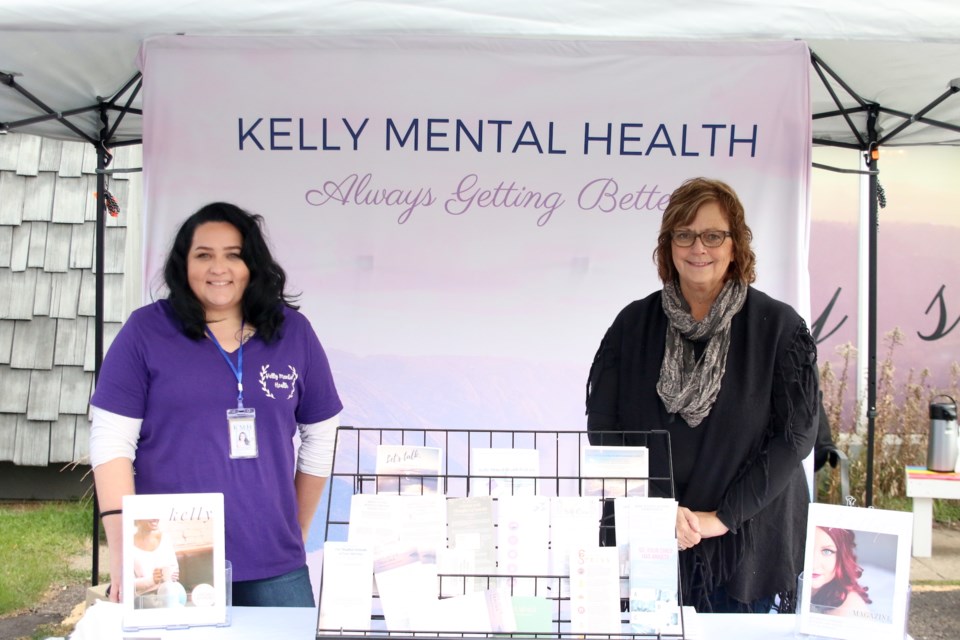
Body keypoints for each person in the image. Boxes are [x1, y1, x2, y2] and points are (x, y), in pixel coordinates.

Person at [90, 202, 343, 606]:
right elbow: (110, 441)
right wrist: (124, 550)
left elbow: (322, 432)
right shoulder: (145, 332)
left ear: (253, 264)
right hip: (169, 561)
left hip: (274, 563)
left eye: (233, 255)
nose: (218, 269)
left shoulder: (293, 332)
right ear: (183, 265)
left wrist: (296, 527)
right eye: (203, 255)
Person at [586, 177, 818, 613]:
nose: (699, 248)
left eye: (713, 235)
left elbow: (796, 437)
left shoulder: (779, 328)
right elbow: (605, 431)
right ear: (668, 245)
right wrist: (655, 510)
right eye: (684, 234)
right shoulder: (632, 326)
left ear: (736, 246)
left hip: (744, 545)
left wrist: (722, 518)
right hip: (650, 539)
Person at [809, 527, 872, 616]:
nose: (813, 564)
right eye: (806, 549)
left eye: (827, 551)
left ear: (841, 558)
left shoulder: (850, 607)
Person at [131, 519, 180, 597]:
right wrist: (153, 580)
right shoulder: (128, 544)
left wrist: (172, 575)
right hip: (145, 597)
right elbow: (129, 584)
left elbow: (174, 568)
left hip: (170, 592)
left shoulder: (165, 538)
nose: (155, 518)